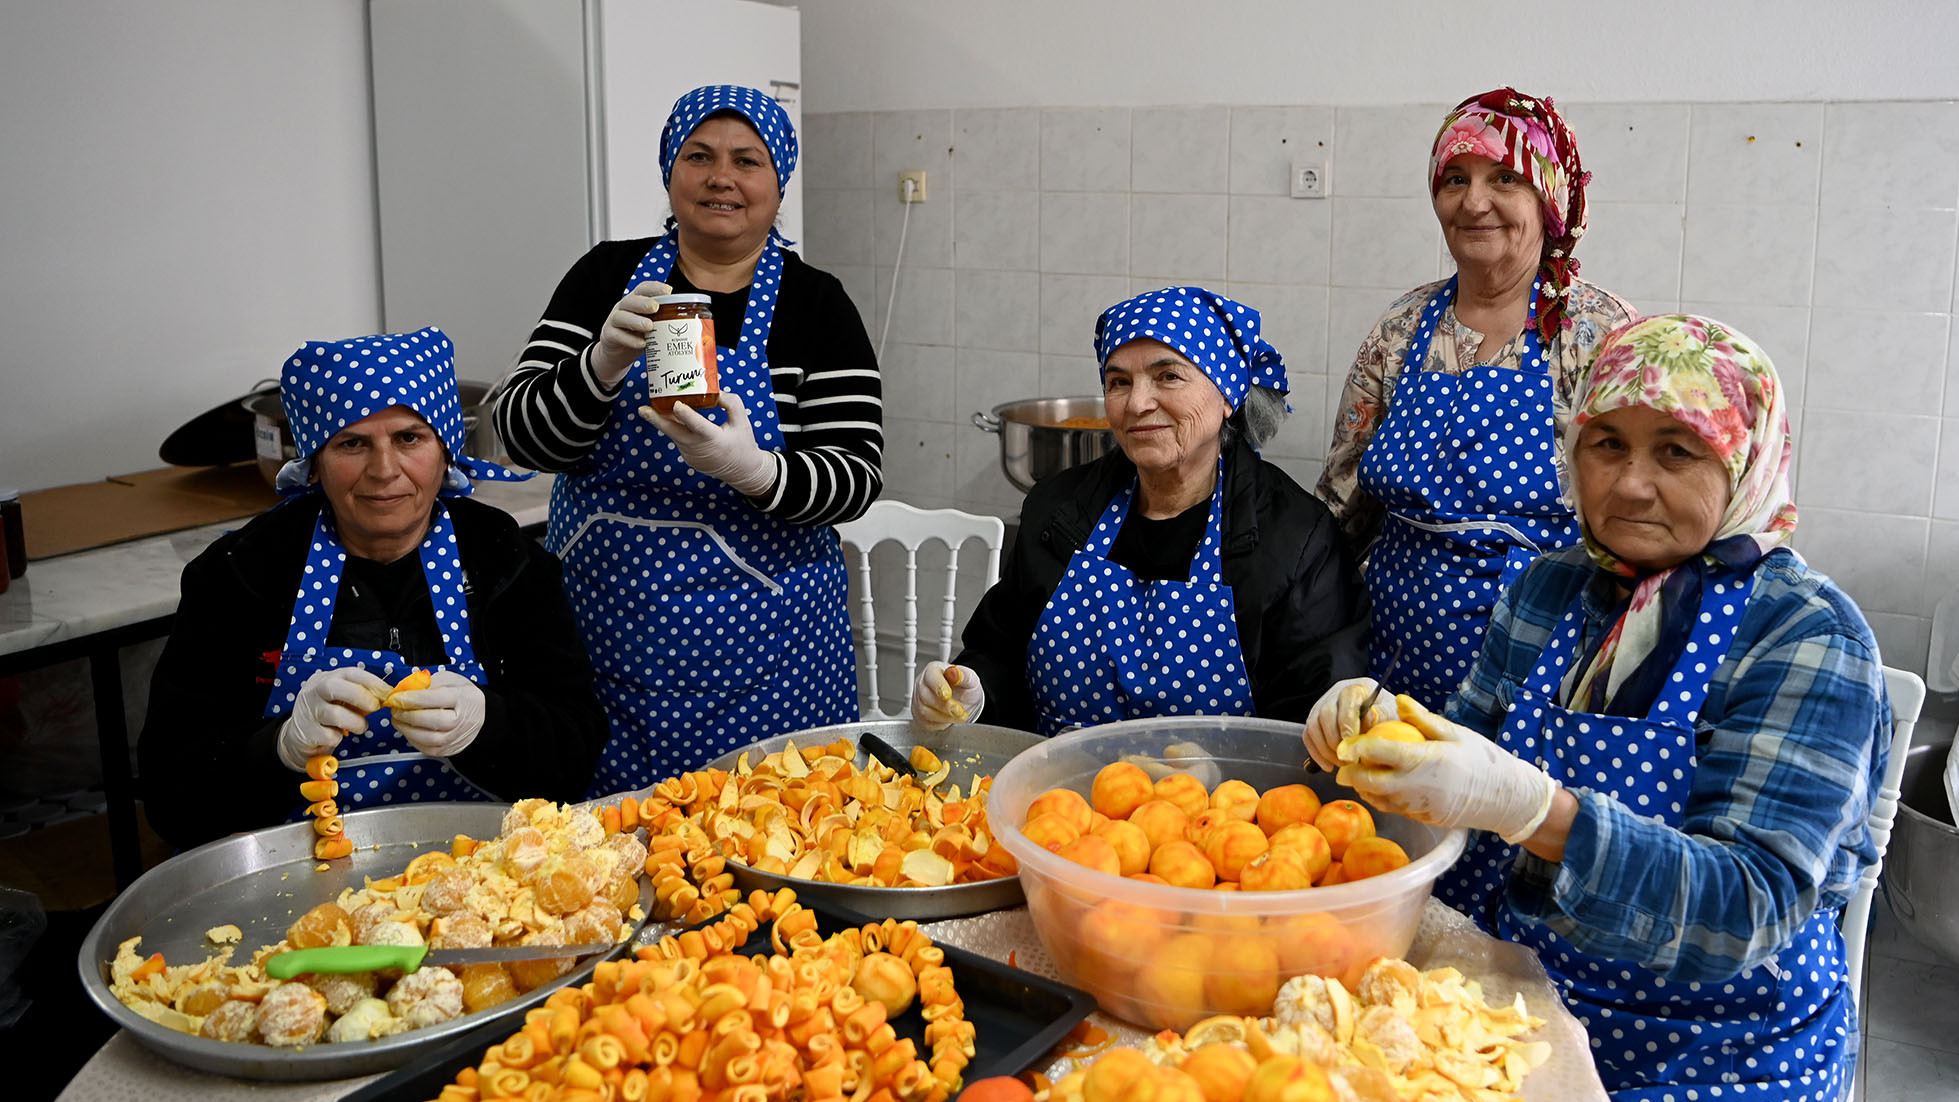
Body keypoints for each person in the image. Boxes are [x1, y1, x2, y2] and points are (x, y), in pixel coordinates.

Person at [1308, 315, 1891, 1102]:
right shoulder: (1550, 588)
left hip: (1713, 1055)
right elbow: (1457, 781)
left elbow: (1748, 906)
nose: (1629, 484)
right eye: (1606, 444)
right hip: (1518, 995)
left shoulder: (1804, 635)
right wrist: (1378, 740)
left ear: (1744, 462)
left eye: (1677, 452)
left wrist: (1531, 811)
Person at [493, 84, 881, 793]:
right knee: (603, 840)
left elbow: (856, 476)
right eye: (698, 156)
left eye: (747, 160)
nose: (720, 177)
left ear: (779, 184)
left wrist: (756, 471)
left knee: (764, 831)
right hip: (603, 638)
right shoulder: (604, 278)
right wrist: (599, 365)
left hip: (768, 657)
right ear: (670, 172)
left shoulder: (817, 304)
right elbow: (522, 435)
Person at [139, 328, 607, 850]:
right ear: (314, 462)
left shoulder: (506, 563)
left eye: (409, 438)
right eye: (352, 443)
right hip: (298, 872)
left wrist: (488, 726)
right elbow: (170, 799)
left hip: (485, 867)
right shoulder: (240, 576)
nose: (384, 471)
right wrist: (280, 748)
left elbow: (575, 760)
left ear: (446, 451)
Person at [915, 287, 1369, 734]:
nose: (1137, 403)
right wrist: (973, 693)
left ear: (1227, 396)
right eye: (1119, 382)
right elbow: (1000, 653)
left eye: (1168, 376)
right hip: (1054, 781)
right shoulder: (1058, 511)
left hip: (1222, 783)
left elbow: (1308, 717)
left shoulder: (1295, 538)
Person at [1317, 87, 1637, 710]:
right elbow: (1341, 500)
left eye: (1505, 179)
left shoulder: (1601, 333)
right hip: (1390, 655)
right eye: (1455, 178)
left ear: (1548, 198)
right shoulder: (1403, 326)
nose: (1474, 201)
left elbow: (1635, 513)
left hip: (1539, 666)